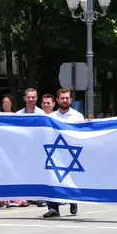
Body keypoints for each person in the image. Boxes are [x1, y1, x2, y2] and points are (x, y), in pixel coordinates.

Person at [43, 89, 84, 218]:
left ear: (71, 100)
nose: (64, 100)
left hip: (71, 152)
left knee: (71, 178)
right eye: (62, 98)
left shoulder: (77, 116)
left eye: (67, 98)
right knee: (52, 179)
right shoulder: (51, 117)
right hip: (55, 153)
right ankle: (53, 208)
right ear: (57, 100)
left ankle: (73, 201)